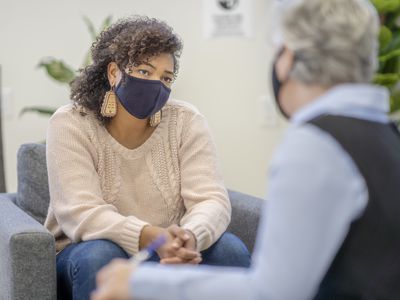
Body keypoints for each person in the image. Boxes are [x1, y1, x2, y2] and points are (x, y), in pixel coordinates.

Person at [91, 0, 400, 299]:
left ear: (289, 57)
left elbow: (274, 292)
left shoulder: (316, 144)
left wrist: (140, 283)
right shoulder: (387, 135)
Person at [44, 16, 251, 300]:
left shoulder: (186, 121)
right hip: (86, 252)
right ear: (114, 73)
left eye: (166, 78)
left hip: (167, 251)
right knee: (102, 254)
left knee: (230, 250)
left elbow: (210, 199)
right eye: (144, 71)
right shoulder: (70, 123)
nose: (156, 84)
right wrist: (149, 236)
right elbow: (80, 211)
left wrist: (188, 237)